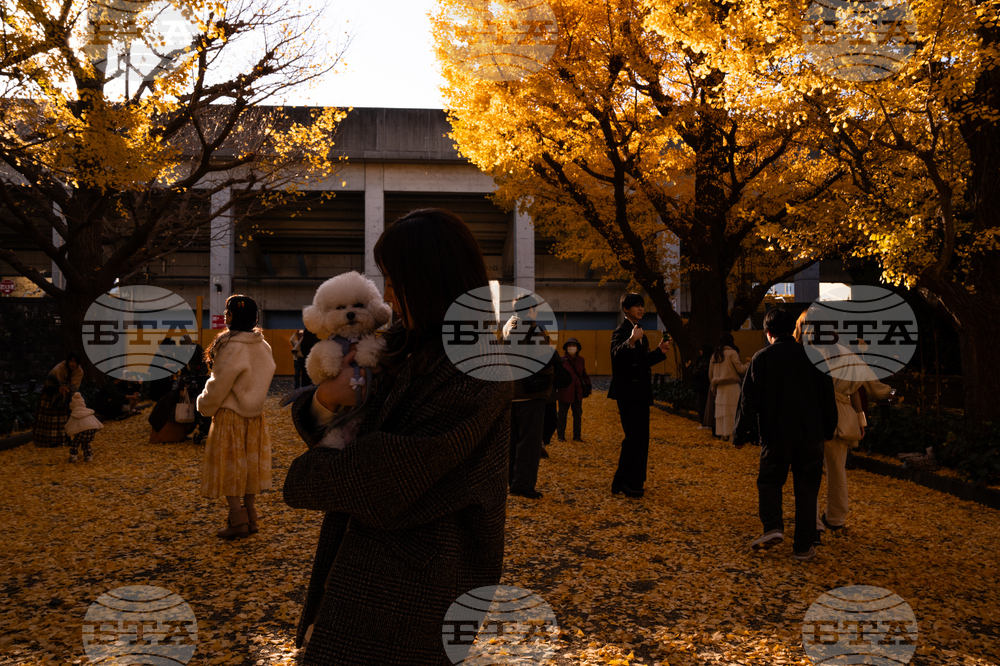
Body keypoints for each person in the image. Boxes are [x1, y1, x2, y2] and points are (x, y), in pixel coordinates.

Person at [282, 208, 511, 666]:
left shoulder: (478, 365)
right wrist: (326, 399)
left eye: (394, 279)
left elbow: (387, 475)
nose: (387, 294)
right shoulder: (403, 340)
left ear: (430, 280)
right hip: (369, 560)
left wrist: (305, 476)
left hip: (419, 575)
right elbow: (348, 420)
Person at [733, 306, 838, 562]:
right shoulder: (814, 358)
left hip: (776, 433)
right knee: (807, 489)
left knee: (770, 481)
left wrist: (740, 433)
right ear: (792, 330)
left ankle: (773, 527)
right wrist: (828, 429)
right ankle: (803, 546)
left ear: (768, 332)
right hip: (811, 434)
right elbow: (828, 397)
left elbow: (749, 401)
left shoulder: (762, 358)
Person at [794, 310, 893, 536]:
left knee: (808, 472)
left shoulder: (802, 354)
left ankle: (812, 522)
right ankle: (836, 519)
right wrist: (861, 420)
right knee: (837, 471)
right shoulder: (846, 354)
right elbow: (863, 387)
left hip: (809, 416)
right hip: (841, 416)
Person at [197, 295, 276, 539]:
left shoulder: (230, 345)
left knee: (230, 466)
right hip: (255, 417)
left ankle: (237, 520)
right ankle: (251, 518)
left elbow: (219, 383)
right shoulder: (263, 345)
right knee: (250, 466)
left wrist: (204, 404)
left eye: (227, 312)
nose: (225, 316)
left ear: (232, 316)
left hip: (230, 416)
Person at [608, 294, 670, 497]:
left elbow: (643, 362)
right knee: (633, 437)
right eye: (636, 306)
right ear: (626, 309)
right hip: (628, 392)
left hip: (641, 392)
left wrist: (660, 352)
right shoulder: (622, 330)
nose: (641, 309)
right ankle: (622, 481)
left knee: (642, 438)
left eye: (642, 306)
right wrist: (631, 340)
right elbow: (616, 354)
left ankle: (635, 480)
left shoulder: (639, 331)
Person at [505, 293, 558, 500]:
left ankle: (512, 480)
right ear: (530, 309)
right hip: (531, 392)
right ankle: (524, 485)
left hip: (512, 392)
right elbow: (542, 361)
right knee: (531, 441)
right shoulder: (533, 328)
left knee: (514, 441)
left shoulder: (509, 326)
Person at [33, 352, 84, 447]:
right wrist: (58, 389)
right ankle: (49, 441)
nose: (73, 364)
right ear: (68, 361)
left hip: (65, 396)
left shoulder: (78, 371)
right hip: (51, 395)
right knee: (50, 420)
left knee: (63, 419)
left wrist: (69, 390)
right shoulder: (58, 370)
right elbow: (48, 385)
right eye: (71, 361)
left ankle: (63, 440)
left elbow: (74, 385)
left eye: (75, 362)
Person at [709, 333, 748, 441]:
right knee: (733, 411)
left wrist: (713, 388)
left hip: (720, 387)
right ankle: (732, 435)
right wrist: (748, 364)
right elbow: (740, 369)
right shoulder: (732, 353)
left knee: (722, 412)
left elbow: (710, 374)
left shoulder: (715, 355)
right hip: (732, 385)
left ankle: (722, 434)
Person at [557, 337, 591, 442]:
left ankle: (577, 436)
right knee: (562, 415)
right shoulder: (561, 360)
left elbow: (583, 374)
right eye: (569, 346)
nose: (571, 348)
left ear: (578, 348)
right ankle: (561, 436)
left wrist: (588, 385)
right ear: (566, 348)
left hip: (577, 392)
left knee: (577, 415)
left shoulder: (581, 360)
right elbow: (557, 376)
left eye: (574, 345)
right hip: (565, 392)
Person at [65, 392, 103, 462]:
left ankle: (73, 455)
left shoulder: (74, 414)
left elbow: (69, 424)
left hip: (81, 431)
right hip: (91, 431)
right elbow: (97, 422)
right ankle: (88, 456)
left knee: (75, 442)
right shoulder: (88, 412)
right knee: (85, 443)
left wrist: (67, 431)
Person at [689, 345, 713, 427]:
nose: (700, 351)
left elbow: (697, 371)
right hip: (706, 385)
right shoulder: (710, 360)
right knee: (704, 404)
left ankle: (704, 423)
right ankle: (705, 422)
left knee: (702, 405)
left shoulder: (704, 361)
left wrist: (690, 368)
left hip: (702, 386)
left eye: (701, 350)